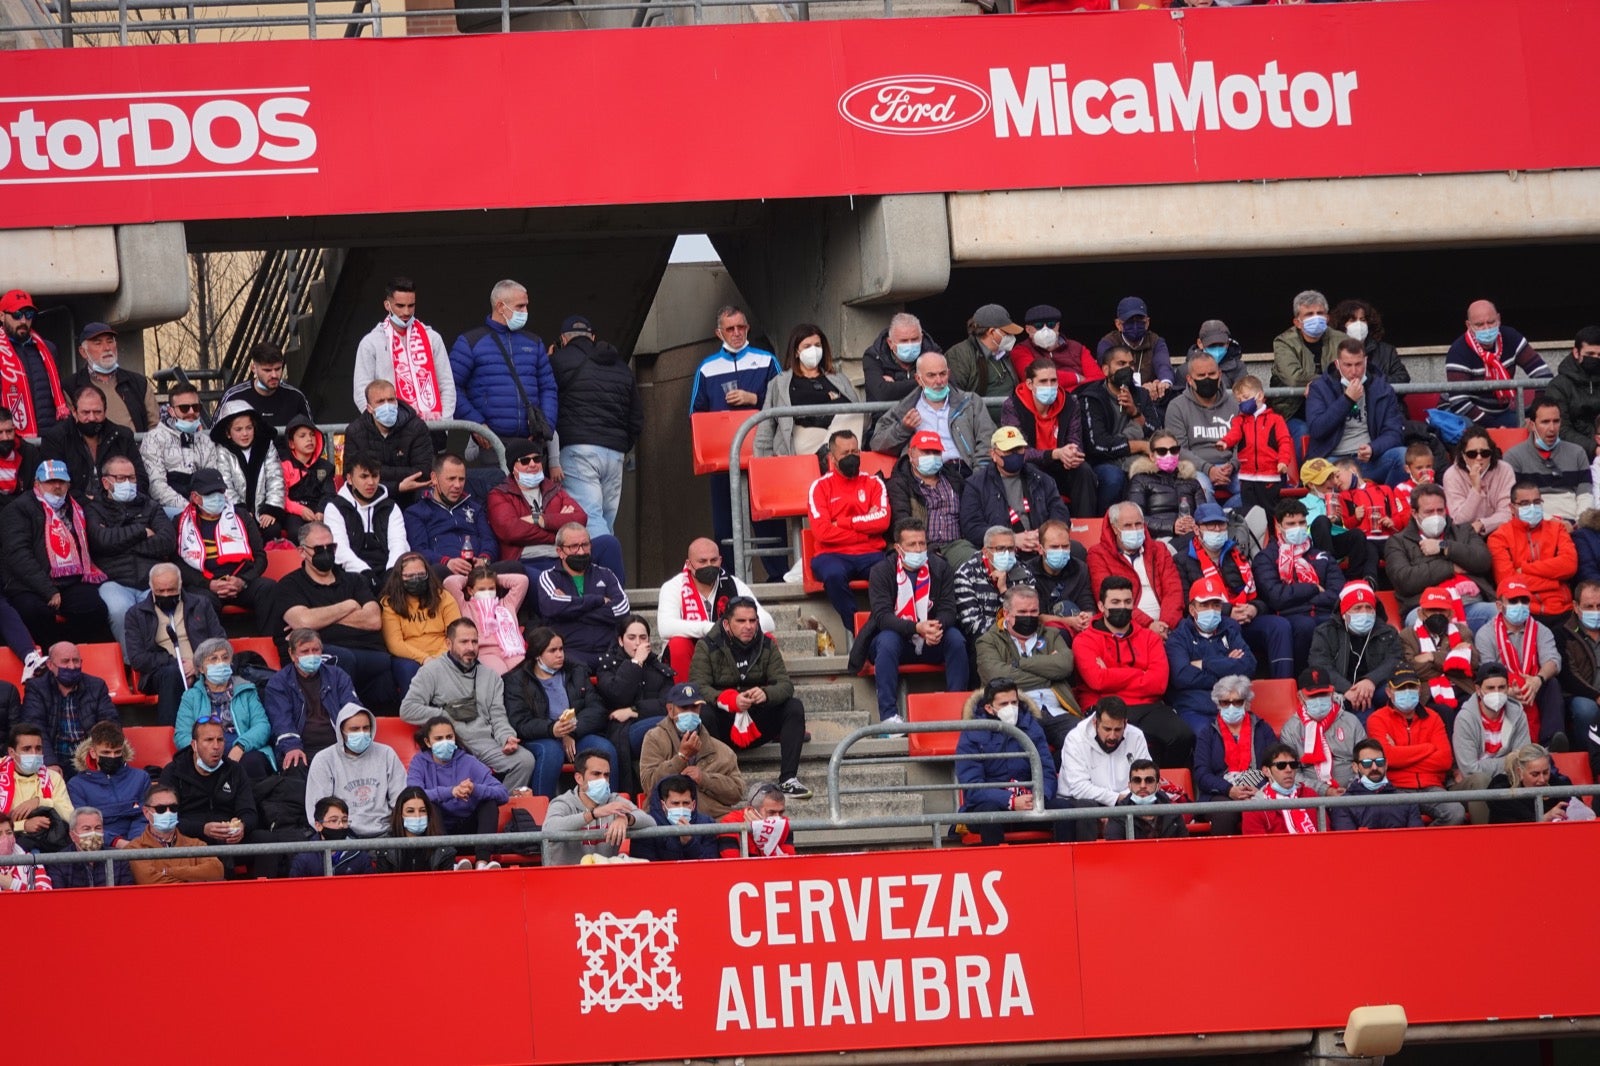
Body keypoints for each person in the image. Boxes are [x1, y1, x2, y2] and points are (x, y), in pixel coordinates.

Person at [688, 305, 780, 572]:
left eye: (741, 327)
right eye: (730, 328)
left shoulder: (766, 360)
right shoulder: (707, 368)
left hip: (762, 453)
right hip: (723, 457)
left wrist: (755, 400)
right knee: (725, 524)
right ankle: (727, 579)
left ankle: (777, 576)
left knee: (767, 518)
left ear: (748, 328)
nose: (737, 333)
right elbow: (695, 414)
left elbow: (784, 401)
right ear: (719, 333)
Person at [688, 597, 810, 798]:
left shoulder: (767, 643)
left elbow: (785, 685)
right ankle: (718, 776)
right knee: (703, 713)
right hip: (723, 722)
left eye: (753, 621)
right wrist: (727, 700)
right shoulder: (707, 645)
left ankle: (788, 779)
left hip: (757, 717)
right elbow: (698, 687)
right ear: (727, 623)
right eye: (741, 621)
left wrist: (766, 694)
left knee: (793, 707)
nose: (748, 626)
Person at [399, 618, 535, 791]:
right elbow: (407, 709)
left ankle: (503, 804)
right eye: (464, 642)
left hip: (485, 742)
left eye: (474, 642)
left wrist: (506, 737)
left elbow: (498, 716)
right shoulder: (431, 671)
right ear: (449, 643)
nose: (470, 647)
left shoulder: (492, 677)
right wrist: (445, 715)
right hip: (452, 742)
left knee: (525, 760)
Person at [266, 521, 392, 709]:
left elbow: (373, 620)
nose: (326, 552)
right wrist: (350, 605)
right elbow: (303, 621)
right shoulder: (289, 585)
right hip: (318, 654)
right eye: (318, 548)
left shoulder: (355, 580)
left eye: (330, 547)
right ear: (302, 552)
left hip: (368, 651)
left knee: (384, 663)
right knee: (343, 658)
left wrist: (320, 619)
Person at [855, 518, 968, 725]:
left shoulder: (941, 568)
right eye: (912, 545)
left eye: (922, 543)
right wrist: (916, 628)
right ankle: (889, 717)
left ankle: (956, 708)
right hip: (898, 640)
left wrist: (936, 627)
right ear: (898, 548)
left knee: (956, 639)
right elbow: (882, 616)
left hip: (932, 639)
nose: (918, 549)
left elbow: (949, 609)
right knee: (887, 640)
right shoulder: (881, 571)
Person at [1072, 577, 1189, 770]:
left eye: (1127, 602)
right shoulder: (1085, 640)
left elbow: (1159, 683)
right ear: (1101, 606)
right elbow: (1097, 681)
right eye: (1115, 602)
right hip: (1104, 705)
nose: (1122, 607)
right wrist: (1140, 674)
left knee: (1182, 736)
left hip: (1148, 706)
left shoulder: (1150, 637)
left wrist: (1111, 673)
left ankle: (1164, 787)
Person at [548, 316, 643, 540]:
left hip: (578, 449)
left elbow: (546, 403)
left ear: (563, 339)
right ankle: (607, 572)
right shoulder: (621, 367)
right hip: (615, 453)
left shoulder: (557, 362)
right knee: (606, 520)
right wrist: (620, 443)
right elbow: (637, 417)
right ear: (592, 337)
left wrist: (548, 361)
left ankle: (608, 567)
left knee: (589, 518)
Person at [1173, 502, 1292, 678]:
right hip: (1213, 622)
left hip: (1246, 615)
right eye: (1210, 525)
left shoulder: (1236, 553)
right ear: (1197, 529)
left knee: (1279, 626)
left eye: (1221, 524)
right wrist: (1229, 611)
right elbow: (1186, 601)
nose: (1216, 529)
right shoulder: (1182, 559)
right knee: (1232, 625)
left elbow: (1259, 594)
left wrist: (1254, 608)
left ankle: (1284, 683)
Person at [1, 459, 111, 645]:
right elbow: (18, 554)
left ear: (68, 483)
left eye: (61, 481)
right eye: (50, 482)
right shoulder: (18, 509)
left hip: (70, 581)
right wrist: (48, 590)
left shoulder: (76, 507)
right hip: (29, 585)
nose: (57, 486)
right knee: (35, 612)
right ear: (37, 483)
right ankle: (49, 654)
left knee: (94, 607)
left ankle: (75, 653)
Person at [503, 627, 618, 798]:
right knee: (551, 752)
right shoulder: (517, 680)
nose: (560, 654)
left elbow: (596, 708)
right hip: (540, 737)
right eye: (552, 650)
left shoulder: (576, 671)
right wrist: (552, 730)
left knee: (605, 748)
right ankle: (542, 813)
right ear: (537, 655)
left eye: (561, 649)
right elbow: (520, 722)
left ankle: (611, 805)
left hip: (576, 734)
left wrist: (569, 731)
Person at [487, 440, 621, 582]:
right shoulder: (499, 494)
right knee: (546, 582)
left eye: (537, 459)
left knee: (609, 544)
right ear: (513, 467)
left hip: (567, 555)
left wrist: (540, 519)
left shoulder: (554, 489)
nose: (532, 464)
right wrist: (560, 532)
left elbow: (581, 518)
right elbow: (511, 531)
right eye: (525, 461)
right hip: (529, 561)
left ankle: (615, 599)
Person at [955, 679, 1070, 845]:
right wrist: (1010, 800)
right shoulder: (972, 733)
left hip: (1030, 803)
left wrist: (1038, 797)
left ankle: (1063, 865)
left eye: (1014, 702)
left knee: (1065, 811)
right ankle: (995, 866)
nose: (1011, 708)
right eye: (1004, 704)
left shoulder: (1032, 727)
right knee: (989, 813)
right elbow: (972, 786)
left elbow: (1047, 771)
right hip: (991, 806)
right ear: (989, 708)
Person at [84, 454, 176, 651]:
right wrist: (141, 532)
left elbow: (167, 542)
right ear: (106, 482)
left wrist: (120, 542)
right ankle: (134, 664)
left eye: (131, 478)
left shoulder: (150, 506)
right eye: (120, 478)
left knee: (163, 610)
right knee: (120, 611)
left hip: (151, 580)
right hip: (114, 580)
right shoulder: (94, 509)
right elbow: (101, 541)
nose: (128, 483)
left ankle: (165, 662)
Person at [975, 585, 1079, 750]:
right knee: (1029, 746)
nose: (1029, 617)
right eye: (1022, 612)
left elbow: (1065, 666)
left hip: (1057, 711)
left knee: (1083, 741)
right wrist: (1049, 673)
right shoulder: (988, 641)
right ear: (1007, 614)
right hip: (1018, 712)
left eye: (1033, 612)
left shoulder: (1052, 634)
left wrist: (1019, 664)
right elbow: (998, 679)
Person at [656, 538, 775, 683]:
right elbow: (665, 627)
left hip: (730, 652)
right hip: (694, 653)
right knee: (678, 644)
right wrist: (712, 628)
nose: (709, 565)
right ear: (689, 564)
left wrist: (733, 629)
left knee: (768, 638)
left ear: (720, 560)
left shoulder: (734, 584)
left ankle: (765, 695)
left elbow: (768, 622)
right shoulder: (673, 586)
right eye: (702, 561)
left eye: (713, 560)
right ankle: (687, 700)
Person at [807, 430, 890, 635]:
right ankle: (860, 630)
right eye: (845, 453)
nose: (851, 456)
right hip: (831, 555)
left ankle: (886, 622)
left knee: (889, 572)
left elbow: (882, 521)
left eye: (855, 451)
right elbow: (823, 532)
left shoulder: (874, 483)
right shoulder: (819, 487)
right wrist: (865, 532)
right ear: (832, 458)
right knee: (833, 575)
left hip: (870, 555)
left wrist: (843, 523)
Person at [1383, 483, 1496, 629]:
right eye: (1429, 512)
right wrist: (1450, 567)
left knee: (1498, 613)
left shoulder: (1464, 531)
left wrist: (1443, 547)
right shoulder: (1398, 542)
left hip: (1469, 603)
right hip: (1425, 609)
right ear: (1414, 513)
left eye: (1440, 510)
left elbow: (1483, 561)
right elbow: (1404, 580)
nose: (1436, 516)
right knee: (1416, 622)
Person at [124, 563, 226, 725]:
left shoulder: (201, 604)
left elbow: (220, 642)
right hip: (161, 673)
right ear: (151, 588)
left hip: (203, 667)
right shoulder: (136, 614)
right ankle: (170, 733)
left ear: (180, 586)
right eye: (160, 591)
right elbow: (138, 658)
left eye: (171, 590)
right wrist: (178, 665)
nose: (165, 594)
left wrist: (198, 665)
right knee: (172, 674)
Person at [1364, 666, 1466, 825]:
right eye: (1401, 688)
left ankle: (1427, 846)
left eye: (1411, 687)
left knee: (1456, 812)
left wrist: (1400, 755)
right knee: (1396, 818)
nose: (1407, 691)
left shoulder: (1433, 717)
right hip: (1396, 788)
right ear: (1389, 691)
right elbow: (1388, 758)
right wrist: (1428, 748)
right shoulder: (1377, 719)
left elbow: (1444, 761)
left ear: (1419, 689)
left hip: (1431, 786)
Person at [406, 715, 509, 870]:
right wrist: (451, 792)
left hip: (470, 829)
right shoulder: (419, 762)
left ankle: (483, 863)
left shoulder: (468, 761)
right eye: (439, 738)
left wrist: (475, 789)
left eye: (449, 737)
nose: (445, 742)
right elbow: (413, 795)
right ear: (428, 742)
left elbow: (502, 793)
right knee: (429, 805)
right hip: (438, 830)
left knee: (488, 803)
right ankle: (449, 862)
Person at [173, 466, 275, 619]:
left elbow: (260, 556)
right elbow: (177, 564)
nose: (217, 497)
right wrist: (208, 584)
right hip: (204, 585)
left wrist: (243, 581)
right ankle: (214, 644)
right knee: (200, 601)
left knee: (268, 588)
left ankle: (270, 641)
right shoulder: (180, 523)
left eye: (220, 492)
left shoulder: (242, 516)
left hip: (240, 581)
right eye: (210, 493)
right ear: (195, 497)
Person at [869, 352, 995, 473]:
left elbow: (987, 440)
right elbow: (877, 443)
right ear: (918, 379)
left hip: (964, 470)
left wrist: (978, 476)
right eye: (931, 375)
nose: (939, 381)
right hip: (923, 476)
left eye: (943, 374)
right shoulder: (906, 407)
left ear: (949, 374)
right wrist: (903, 428)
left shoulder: (970, 402)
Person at [1255, 498, 1346, 663]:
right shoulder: (1266, 558)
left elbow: (1338, 593)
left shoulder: (1321, 555)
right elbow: (1276, 597)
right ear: (1278, 526)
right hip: (1291, 618)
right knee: (1305, 626)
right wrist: (1313, 588)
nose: (1297, 528)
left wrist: (1299, 598)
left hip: (1323, 613)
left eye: (1302, 522)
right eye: (1291, 523)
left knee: (1336, 623)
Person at [1305, 338, 1407, 486]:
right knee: (1333, 475)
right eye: (1348, 365)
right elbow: (1317, 429)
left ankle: (1387, 500)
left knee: (1402, 456)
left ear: (1366, 361)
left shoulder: (1382, 388)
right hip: (1333, 460)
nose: (1354, 371)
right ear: (1337, 364)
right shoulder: (1320, 388)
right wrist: (1347, 400)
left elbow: (1394, 432)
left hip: (1369, 459)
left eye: (1358, 364)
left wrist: (1373, 448)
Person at [1000, 357, 1096, 513]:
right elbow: (1018, 451)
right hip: (1031, 465)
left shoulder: (1070, 403)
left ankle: (1086, 525)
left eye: (1053, 381)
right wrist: (1054, 454)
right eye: (1043, 381)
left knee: (1083, 470)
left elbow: (1075, 440)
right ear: (1030, 384)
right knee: (1030, 470)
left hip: (1061, 464)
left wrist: (1072, 452)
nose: (1050, 386)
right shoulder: (1013, 406)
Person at [352, 276, 455, 422]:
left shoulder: (432, 337)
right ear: (387, 305)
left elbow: (446, 383)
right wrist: (379, 425)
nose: (406, 312)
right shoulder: (370, 342)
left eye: (411, 305)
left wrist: (445, 422)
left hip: (432, 427)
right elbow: (361, 390)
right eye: (400, 306)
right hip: (391, 428)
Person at [755, 323, 863, 461]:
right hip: (804, 435)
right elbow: (766, 424)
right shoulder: (780, 383)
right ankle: (835, 459)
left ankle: (827, 457)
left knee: (854, 415)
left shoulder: (839, 379)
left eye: (817, 345)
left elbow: (859, 413)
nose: (814, 350)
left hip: (841, 434)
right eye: (807, 346)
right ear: (796, 351)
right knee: (845, 434)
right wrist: (763, 461)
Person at [637, 683, 745, 820]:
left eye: (694, 707)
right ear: (670, 710)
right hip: (665, 821)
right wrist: (681, 758)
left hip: (713, 821)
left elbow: (736, 793)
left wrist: (704, 779)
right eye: (684, 707)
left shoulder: (722, 750)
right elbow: (649, 785)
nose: (690, 712)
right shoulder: (654, 738)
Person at [960, 425, 1071, 558]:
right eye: (1008, 451)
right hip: (1002, 550)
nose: (1014, 455)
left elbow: (1060, 513)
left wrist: (1044, 536)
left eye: (1018, 449)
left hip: (1041, 546)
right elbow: (971, 527)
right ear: (993, 454)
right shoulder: (976, 484)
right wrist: (1011, 539)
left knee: (1077, 550)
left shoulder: (1041, 479)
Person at [158, 718, 258, 865]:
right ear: (194, 745)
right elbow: (166, 820)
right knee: (217, 846)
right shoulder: (173, 772)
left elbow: (249, 812)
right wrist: (202, 829)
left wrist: (242, 826)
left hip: (228, 837)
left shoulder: (235, 770)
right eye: (209, 740)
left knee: (267, 841)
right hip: (189, 838)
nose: (216, 746)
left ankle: (264, 887)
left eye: (220, 740)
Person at [1474, 579, 1563, 744]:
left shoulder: (1540, 629)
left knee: (1552, 684)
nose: (1520, 605)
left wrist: (1538, 679)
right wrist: (1505, 690)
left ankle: (1552, 743)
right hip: (1502, 688)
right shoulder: (1485, 634)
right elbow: (1487, 671)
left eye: (1524, 600)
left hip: (1534, 687)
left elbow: (1553, 660)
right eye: (1514, 601)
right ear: (1500, 606)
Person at [1166, 578, 1258, 735]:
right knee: (1208, 735)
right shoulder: (1179, 637)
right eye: (1204, 605)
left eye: (1216, 605)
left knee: (1259, 732)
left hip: (1232, 706)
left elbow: (1249, 665)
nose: (1211, 610)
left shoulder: (1229, 630)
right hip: (1195, 708)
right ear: (1192, 609)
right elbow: (1182, 676)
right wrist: (1228, 665)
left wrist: (1204, 664)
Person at [172, 638, 273, 781]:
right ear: (201, 668)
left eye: (225, 658)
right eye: (213, 659)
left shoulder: (247, 690)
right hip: (207, 753)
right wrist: (204, 751)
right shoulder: (191, 697)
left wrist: (241, 746)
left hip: (244, 751)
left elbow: (262, 726)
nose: (220, 663)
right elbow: (182, 735)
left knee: (252, 763)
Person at [1442, 299, 1552, 428]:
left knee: (1544, 425)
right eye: (1479, 325)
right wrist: (1494, 427)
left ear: (1499, 319)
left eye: (1491, 322)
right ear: (1468, 325)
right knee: (1469, 432)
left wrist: (1535, 415)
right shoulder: (1458, 351)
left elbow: (1544, 375)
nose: (1487, 328)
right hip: (1460, 414)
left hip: (1501, 414)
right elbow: (1459, 402)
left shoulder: (1511, 338)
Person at [535, 522, 631, 668]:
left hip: (608, 654)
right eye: (573, 546)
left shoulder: (606, 575)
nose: (580, 552)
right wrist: (598, 601)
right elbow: (552, 606)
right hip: (569, 656)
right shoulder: (549, 577)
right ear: (560, 552)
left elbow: (622, 610)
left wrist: (569, 610)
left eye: (585, 545)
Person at [304, 703, 407, 838]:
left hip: (386, 834)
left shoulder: (386, 753)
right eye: (354, 729)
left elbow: (401, 800)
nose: (362, 733)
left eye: (366, 728)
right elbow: (317, 811)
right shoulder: (324, 759)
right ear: (341, 731)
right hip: (342, 836)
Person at [1056, 698, 1150, 842]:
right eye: (1107, 729)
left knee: (1152, 800)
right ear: (1095, 723)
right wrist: (1115, 801)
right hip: (1080, 801)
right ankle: (1087, 861)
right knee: (1086, 807)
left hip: (1125, 799)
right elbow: (1079, 788)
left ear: (1125, 723)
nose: (1112, 736)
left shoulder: (1136, 736)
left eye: (1118, 729)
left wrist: (1120, 805)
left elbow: (1147, 776)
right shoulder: (1075, 739)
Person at [403, 453, 509, 580]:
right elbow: (419, 550)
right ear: (434, 478)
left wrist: (484, 559)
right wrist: (447, 562)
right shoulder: (416, 512)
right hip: (443, 573)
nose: (458, 485)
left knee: (515, 568)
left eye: (461, 479)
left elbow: (489, 540)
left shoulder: (475, 508)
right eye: (451, 479)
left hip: (479, 572)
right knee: (438, 571)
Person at [1308, 581, 1402, 723]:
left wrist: (1371, 680)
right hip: (1341, 690)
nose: (1364, 612)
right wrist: (1347, 689)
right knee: (1363, 712)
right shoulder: (1325, 632)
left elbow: (1395, 659)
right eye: (1357, 608)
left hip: (1376, 687)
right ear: (1344, 613)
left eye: (1368, 607)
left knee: (1397, 693)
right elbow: (1319, 664)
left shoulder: (1387, 632)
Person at [21, 641, 119, 777]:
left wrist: (100, 760)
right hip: (55, 760)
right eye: (65, 661)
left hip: (89, 759)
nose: (72, 666)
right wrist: (50, 763)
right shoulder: (36, 688)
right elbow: (34, 727)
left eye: (76, 661)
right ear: (50, 665)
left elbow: (109, 724)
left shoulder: (97, 686)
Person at [264, 628, 357, 771]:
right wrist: (292, 747)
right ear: (292, 654)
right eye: (305, 651)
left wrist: (352, 742)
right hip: (303, 748)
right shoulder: (278, 683)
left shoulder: (337, 676)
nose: (311, 655)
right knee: (294, 765)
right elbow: (281, 721)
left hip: (338, 745)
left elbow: (353, 710)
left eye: (316, 650)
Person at [1087, 502, 1184, 637]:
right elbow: (1108, 598)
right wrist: (1149, 625)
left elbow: (1174, 591)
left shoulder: (1159, 549)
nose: (1134, 529)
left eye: (1138, 524)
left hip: (1167, 627)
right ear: (1115, 528)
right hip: (1126, 627)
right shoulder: (1098, 554)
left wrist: (1164, 626)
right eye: (1127, 525)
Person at [887, 429, 975, 572]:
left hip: (956, 545)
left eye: (936, 453)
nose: (932, 457)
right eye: (926, 452)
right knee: (937, 567)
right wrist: (928, 547)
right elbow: (900, 521)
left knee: (975, 561)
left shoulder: (954, 479)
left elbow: (970, 514)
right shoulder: (899, 483)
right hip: (920, 546)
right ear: (911, 454)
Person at [543, 750, 651, 866]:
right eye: (596, 774)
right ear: (579, 778)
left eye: (606, 775)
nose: (603, 780)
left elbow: (650, 822)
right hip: (566, 878)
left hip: (604, 877)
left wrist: (625, 818)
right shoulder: (563, 802)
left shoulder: (613, 801)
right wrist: (593, 814)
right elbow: (549, 828)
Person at [1080, 344, 1157, 506]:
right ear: (1106, 369)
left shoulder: (1141, 395)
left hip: (1137, 459)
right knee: (1113, 477)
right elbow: (1097, 445)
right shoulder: (1092, 397)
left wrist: (1135, 412)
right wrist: (1140, 445)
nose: (1128, 369)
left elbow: (1156, 433)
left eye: (1131, 364)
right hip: (1104, 463)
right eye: (1121, 364)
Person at [1487, 482, 1578, 619]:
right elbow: (1508, 582)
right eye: (1524, 503)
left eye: (1536, 502)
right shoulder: (1499, 537)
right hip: (1525, 612)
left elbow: (1569, 565)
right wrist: (1554, 582)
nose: (1532, 507)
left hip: (1563, 609)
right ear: (1512, 508)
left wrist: (1524, 569)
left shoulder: (1557, 529)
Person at [39, 384, 145, 498]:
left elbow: (141, 479)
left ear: (105, 411)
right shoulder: (55, 438)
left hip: (117, 506)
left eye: (97, 412)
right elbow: (53, 485)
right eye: (85, 412)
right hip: (73, 509)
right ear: (74, 412)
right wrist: (86, 502)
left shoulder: (123, 436)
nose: (92, 418)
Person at [596, 616, 677, 764]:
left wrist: (634, 711)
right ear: (621, 640)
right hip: (624, 731)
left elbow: (669, 704)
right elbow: (619, 696)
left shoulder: (660, 669)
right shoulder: (608, 666)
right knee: (666, 725)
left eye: (643, 637)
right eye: (631, 638)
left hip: (650, 722)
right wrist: (636, 663)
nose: (638, 643)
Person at [1165, 348, 1240, 507]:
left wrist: (1233, 464)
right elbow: (1179, 449)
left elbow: (1244, 443)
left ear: (1220, 375)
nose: (1207, 379)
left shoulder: (1235, 404)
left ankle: (1227, 517)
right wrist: (1208, 469)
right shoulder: (1177, 407)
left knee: (1252, 488)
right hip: (1196, 468)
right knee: (1202, 489)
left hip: (1231, 466)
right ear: (1190, 379)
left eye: (1211, 374)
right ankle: (1212, 523)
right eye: (1201, 376)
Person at [325, 452, 410, 592]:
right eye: (364, 476)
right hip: (351, 574)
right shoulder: (334, 508)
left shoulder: (391, 507)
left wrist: (391, 574)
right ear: (349, 478)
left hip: (389, 571)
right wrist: (365, 572)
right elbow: (339, 549)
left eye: (375, 476)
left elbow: (399, 544)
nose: (371, 482)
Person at [380, 552, 461, 695]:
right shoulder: (390, 604)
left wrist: (441, 658)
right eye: (410, 576)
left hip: (444, 652)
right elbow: (394, 643)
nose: (416, 580)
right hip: (409, 657)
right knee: (409, 670)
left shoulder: (443, 597)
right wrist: (425, 659)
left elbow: (456, 632)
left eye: (421, 575)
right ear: (399, 578)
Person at [139, 383, 226, 517]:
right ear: (171, 411)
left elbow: (214, 480)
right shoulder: (153, 439)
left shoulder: (206, 441)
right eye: (184, 408)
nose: (191, 412)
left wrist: (204, 505)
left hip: (203, 506)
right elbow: (157, 486)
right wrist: (189, 508)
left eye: (196, 407)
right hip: (169, 510)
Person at [342, 380, 435, 504]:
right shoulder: (355, 431)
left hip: (411, 498)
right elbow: (351, 476)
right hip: (371, 499)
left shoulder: (416, 427)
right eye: (380, 401)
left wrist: (374, 472)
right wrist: (397, 487)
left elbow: (423, 472)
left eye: (391, 400)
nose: (387, 406)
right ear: (369, 408)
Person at [1270, 289, 1348, 435]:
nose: (1316, 318)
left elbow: (1350, 372)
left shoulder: (1342, 340)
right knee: (1304, 432)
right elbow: (1294, 378)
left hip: (1332, 405)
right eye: (1309, 314)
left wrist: (1317, 383)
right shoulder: (1283, 342)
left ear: (1327, 317)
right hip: (1294, 410)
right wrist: (1327, 381)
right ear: (1297, 322)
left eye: (1320, 313)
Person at [1399, 587, 1479, 729]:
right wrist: (1453, 658)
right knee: (1445, 712)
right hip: (1428, 693)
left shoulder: (1462, 631)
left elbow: (1472, 664)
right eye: (1431, 610)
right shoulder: (1407, 635)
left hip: (1461, 688)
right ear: (1421, 613)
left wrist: (1431, 657)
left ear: (1450, 614)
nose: (1437, 615)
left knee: (1472, 707)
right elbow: (1412, 671)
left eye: (1441, 611)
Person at [1216, 374, 1294, 517]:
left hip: (1270, 475)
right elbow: (1234, 434)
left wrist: (1283, 461)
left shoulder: (1276, 419)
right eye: (1239, 400)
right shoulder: (1240, 420)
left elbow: (1284, 442)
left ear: (1259, 395)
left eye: (1246, 397)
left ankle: (1273, 538)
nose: (1242, 403)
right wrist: (1225, 442)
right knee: (1250, 514)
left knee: (1272, 512)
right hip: (1247, 476)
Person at [1279, 667, 1365, 796]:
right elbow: (1290, 772)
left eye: (1323, 694)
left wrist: (1350, 790)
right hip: (1310, 797)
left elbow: (1366, 761)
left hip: (1353, 793)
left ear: (1332, 693)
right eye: (1313, 696)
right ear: (1300, 697)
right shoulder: (1291, 729)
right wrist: (1325, 790)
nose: (1318, 700)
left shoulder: (1351, 721)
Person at [1504, 398, 1593, 523]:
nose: (1552, 428)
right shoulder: (1513, 457)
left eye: (1556, 421)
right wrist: (1555, 523)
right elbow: (1516, 504)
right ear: (1532, 425)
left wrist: (1579, 522)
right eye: (1545, 422)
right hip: (1536, 524)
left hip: (1575, 523)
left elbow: (1586, 496)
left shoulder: (1578, 453)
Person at [1452, 663, 1532, 797]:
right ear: (1478, 689)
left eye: (1501, 687)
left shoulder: (1518, 714)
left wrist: (1483, 764)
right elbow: (1470, 770)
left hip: (1509, 781)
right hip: (1470, 788)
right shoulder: (1465, 718)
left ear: (1508, 688)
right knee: (1480, 780)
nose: (1496, 693)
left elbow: (1522, 761)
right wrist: (1508, 760)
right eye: (1490, 688)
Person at [66, 721, 148, 849]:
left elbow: (145, 816)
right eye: (106, 753)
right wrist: (118, 842)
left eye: (117, 752)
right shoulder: (77, 785)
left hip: (139, 844)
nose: (112, 757)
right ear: (93, 753)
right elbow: (83, 825)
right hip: (98, 848)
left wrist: (134, 842)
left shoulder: (140, 778)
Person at [0, 289, 68, 437]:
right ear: (2, 316)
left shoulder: (48, 349)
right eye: (17, 315)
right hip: (8, 441)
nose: (23, 321)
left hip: (47, 439)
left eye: (28, 314)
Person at [127, 783, 224, 885]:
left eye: (173, 808)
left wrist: (170, 872)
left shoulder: (196, 844)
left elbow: (216, 871)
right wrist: (193, 878)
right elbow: (149, 881)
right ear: (146, 812)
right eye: (161, 809)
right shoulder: (135, 848)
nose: (168, 813)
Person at [70, 321, 159, 433]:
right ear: (83, 352)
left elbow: (155, 426)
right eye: (98, 343)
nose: (107, 348)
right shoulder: (71, 386)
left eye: (110, 341)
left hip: (136, 449)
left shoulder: (138, 383)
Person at [953, 525, 1032, 645]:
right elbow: (972, 624)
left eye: (1010, 549)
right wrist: (1011, 632)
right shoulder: (966, 574)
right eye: (1000, 548)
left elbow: (1029, 616)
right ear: (985, 551)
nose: (1006, 553)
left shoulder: (1024, 572)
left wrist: (1004, 591)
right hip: (983, 642)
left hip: (1020, 640)